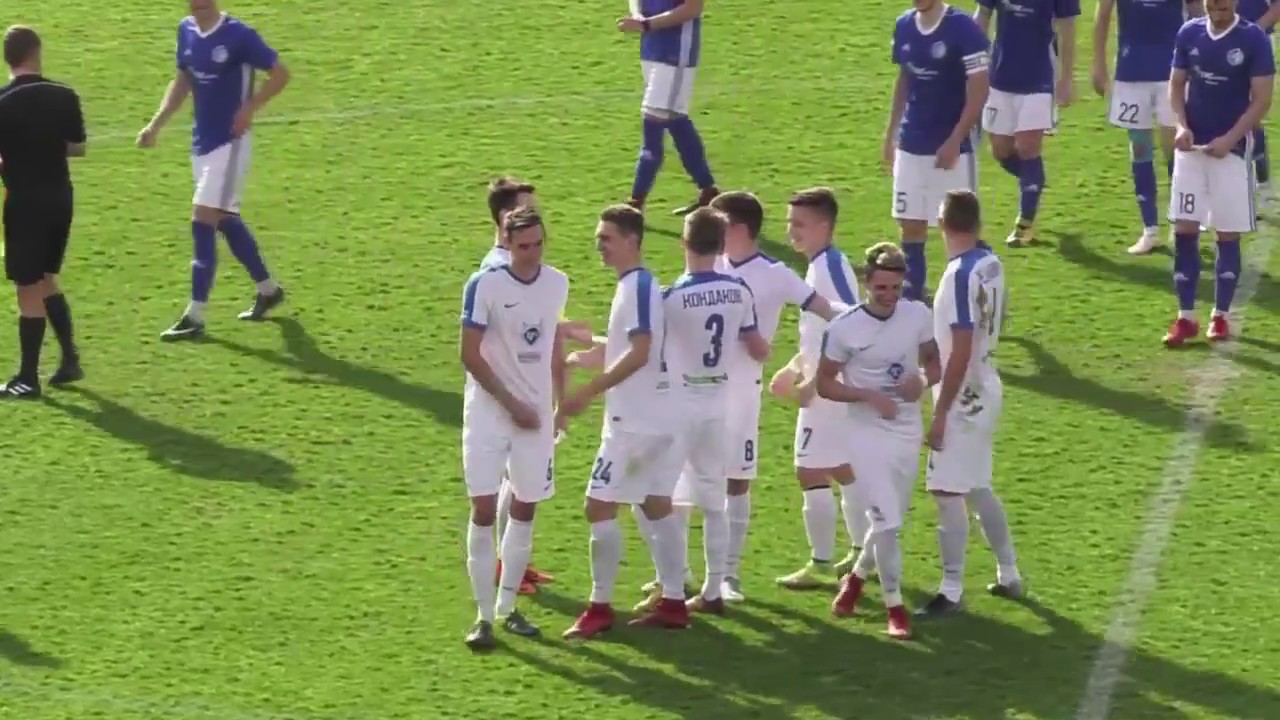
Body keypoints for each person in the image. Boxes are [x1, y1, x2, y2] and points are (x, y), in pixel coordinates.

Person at [696, 191, 839, 601]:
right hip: (697, 391)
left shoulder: (776, 274)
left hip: (741, 393)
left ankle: (728, 575)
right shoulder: (709, 265)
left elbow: (829, 310)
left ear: (737, 228)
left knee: (736, 480)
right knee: (685, 481)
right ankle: (676, 576)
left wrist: (884, 323)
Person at [557, 205, 687, 639]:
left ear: (632, 240)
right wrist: (589, 350)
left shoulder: (638, 287)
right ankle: (673, 601)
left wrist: (588, 391)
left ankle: (599, 608)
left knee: (598, 506)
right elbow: (630, 346)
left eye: (606, 238)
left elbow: (641, 352)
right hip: (659, 417)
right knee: (654, 504)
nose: (599, 245)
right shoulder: (640, 286)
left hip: (634, 423)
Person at [638, 207, 770, 620]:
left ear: (684, 243)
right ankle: (713, 588)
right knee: (714, 502)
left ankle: (672, 585)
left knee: (652, 494)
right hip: (718, 406)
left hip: (679, 407)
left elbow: (648, 353)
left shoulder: (671, 297)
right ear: (721, 245)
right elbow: (757, 346)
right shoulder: (739, 290)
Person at [136, 0, 291, 340]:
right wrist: (155, 125)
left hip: (231, 142)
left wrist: (249, 109)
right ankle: (268, 290)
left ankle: (195, 315)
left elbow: (280, 73)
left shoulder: (240, 35)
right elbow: (182, 81)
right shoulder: (186, 30)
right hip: (202, 143)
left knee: (202, 219)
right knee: (225, 219)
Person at [458, 205, 570, 649]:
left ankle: (508, 608)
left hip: (534, 417)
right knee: (484, 510)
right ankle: (483, 615)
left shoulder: (557, 283)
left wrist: (558, 402)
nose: (533, 254)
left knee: (526, 506)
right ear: (506, 242)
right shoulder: (484, 284)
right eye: (524, 246)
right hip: (488, 414)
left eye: (539, 244)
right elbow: (469, 354)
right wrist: (511, 403)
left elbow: (551, 341)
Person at [817, 243, 940, 640]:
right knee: (886, 520)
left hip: (906, 428)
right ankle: (895, 607)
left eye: (895, 288)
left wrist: (922, 381)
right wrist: (867, 396)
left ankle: (855, 580)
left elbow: (934, 362)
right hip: (864, 432)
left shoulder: (917, 315)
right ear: (866, 284)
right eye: (881, 288)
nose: (888, 295)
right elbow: (824, 384)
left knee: (891, 519)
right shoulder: (844, 328)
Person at [916, 190, 1023, 620]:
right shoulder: (990, 261)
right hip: (988, 383)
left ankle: (951, 589)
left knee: (946, 491)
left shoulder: (959, 275)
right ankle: (1009, 572)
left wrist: (941, 412)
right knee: (976, 486)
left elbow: (960, 347)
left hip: (965, 395)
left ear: (941, 223)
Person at [767, 188, 867, 591]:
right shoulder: (821, 265)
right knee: (841, 468)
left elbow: (850, 325)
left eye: (799, 224)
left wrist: (812, 381)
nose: (791, 231)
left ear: (824, 226)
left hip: (830, 387)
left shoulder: (829, 267)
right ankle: (863, 553)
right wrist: (794, 366)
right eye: (790, 222)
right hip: (832, 383)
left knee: (810, 469)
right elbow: (820, 330)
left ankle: (824, 563)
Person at [1163, 0, 1275, 347]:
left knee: (1226, 234)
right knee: (1184, 229)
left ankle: (1220, 316)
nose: (1218, 6)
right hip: (1192, 151)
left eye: (1224, 2)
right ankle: (1185, 317)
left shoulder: (1253, 39)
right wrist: (1181, 126)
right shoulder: (1189, 32)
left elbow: (1262, 99)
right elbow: (1176, 85)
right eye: (1212, 1)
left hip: (1232, 152)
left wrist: (1231, 138)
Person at [0, 26, 86, 399]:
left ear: (8, 58)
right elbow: (77, 148)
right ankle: (70, 360)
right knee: (47, 278)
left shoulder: (2, 102)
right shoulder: (64, 95)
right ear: (36, 52)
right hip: (60, 198)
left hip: (25, 203)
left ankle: (27, 378)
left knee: (27, 288)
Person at [885, 0, 990, 300]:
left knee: (960, 230)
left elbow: (980, 87)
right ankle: (915, 295)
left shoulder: (963, 28)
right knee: (910, 223)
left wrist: (956, 138)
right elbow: (904, 79)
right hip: (911, 143)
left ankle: (971, 294)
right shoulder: (904, 25)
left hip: (952, 149)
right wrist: (891, 133)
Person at [1093, 0, 1204, 255]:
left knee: (1175, 147)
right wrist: (1099, 63)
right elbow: (1103, 13)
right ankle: (1150, 229)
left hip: (1173, 72)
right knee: (1140, 147)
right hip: (1131, 72)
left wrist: (1200, 59)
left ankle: (1181, 221)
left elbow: (1197, 11)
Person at [976, 0, 1080, 247]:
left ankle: (1024, 225)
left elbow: (1067, 29)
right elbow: (982, 15)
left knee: (1027, 148)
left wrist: (1066, 78)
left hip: (1039, 80)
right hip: (1000, 76)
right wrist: (973, 63)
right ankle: (1033, 181)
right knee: (1001, 150)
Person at [618, 0, 721, 215]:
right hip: (651, 49)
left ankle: (635, 203)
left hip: (675, 53)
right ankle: (709, 192)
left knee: (652, 125)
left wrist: (647, 24)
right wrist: (637, 16)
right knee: (676, 121)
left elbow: (693, 8)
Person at [1237, 0, 1279, 213]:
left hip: (1257, 42)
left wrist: (1253, 30)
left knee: (1253, 113)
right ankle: (1239, 186)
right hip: (1220, 39)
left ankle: (1261, 187)